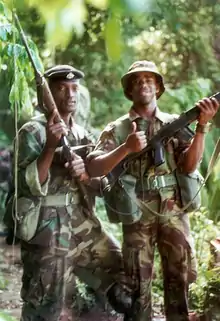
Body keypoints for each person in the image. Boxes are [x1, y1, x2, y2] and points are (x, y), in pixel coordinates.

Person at [86, 60, 220, 321]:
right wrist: (126, 147)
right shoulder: (118, 129)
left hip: (173, 208)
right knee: (138, 283)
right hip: (136, 210)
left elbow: (189, 165)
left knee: (178, 279)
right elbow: (93, 168)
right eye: (137, 81)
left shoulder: (175, 123)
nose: (143, 84)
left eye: (149, 80)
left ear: (158, 88)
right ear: (129, 91)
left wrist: (202, 126)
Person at [6, 65, 132, 321]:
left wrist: (85, 174)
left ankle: (91, 312)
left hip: (81, 224)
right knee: (45, 302)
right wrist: (51, 148)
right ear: (47, 96)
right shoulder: (32, 131)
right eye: (61, 88)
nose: (70, 94)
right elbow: (30, 184)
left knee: (121, 270)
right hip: (47, 227)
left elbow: (98, 184)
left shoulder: (81, 133)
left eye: (74, 88)